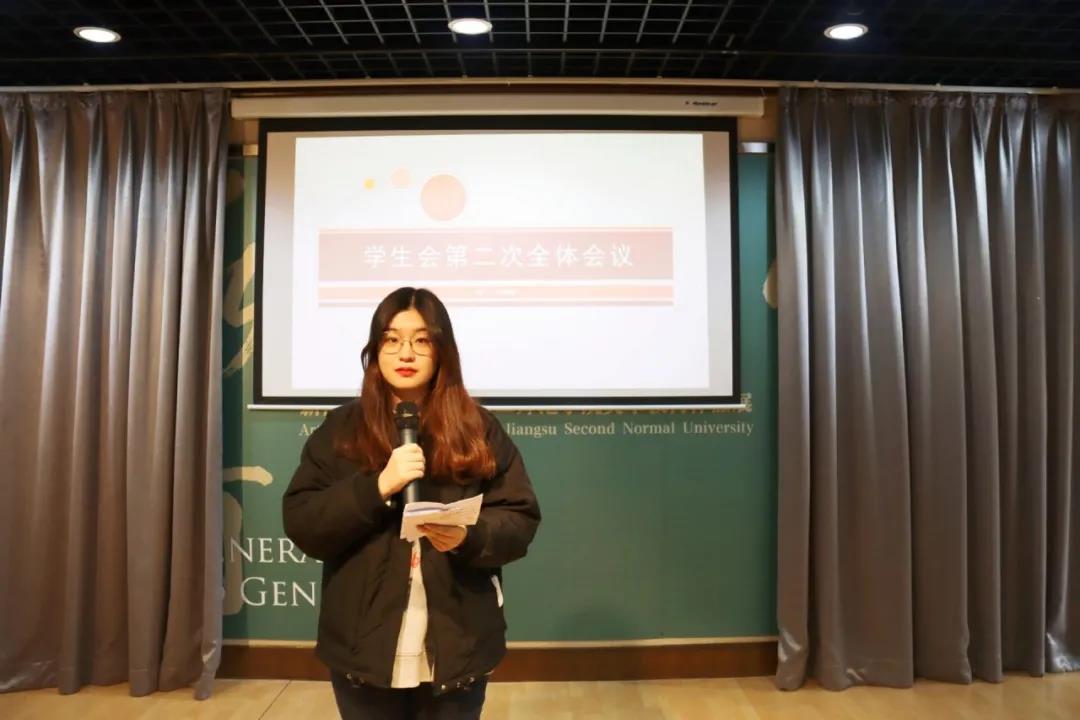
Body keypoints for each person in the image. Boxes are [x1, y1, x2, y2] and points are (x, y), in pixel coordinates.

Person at [282, 286, 541, 720]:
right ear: (375, 351)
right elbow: (303, 520)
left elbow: (519, 517)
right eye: (391, 339)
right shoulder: (342, 430)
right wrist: (377, 487)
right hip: (364, 646)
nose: (406, 352)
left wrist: (469, 536)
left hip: (458, 643)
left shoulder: (478, 428)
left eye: (421, 340)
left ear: (442, 351)